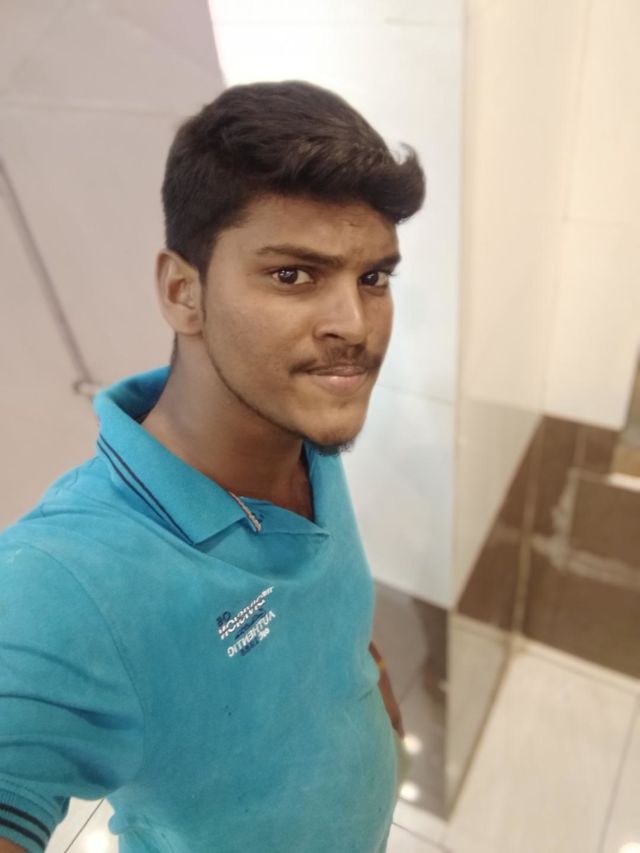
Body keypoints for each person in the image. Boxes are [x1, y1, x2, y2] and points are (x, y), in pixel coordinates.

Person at [0, 80, 425, 853]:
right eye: (293, 274)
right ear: (181, 290)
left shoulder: (299, 426)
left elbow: (326, 626)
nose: (355, 325)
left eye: (374, 277)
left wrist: (374, 701)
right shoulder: (62, 582)